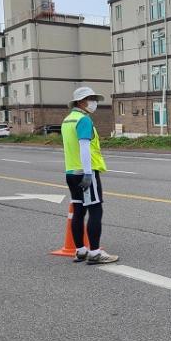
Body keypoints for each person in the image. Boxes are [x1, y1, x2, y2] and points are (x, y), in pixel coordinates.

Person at [62, 86, 118, 265]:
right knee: (95, 210)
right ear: (80, 102)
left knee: (78, 210)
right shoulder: (83, 120)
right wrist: (87, 172)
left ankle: (80, 251)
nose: (94, 102)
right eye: (90, 99)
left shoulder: (67, 120)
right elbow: (84, 146)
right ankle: (95, 253)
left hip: (71, 172)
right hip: (86, 172)